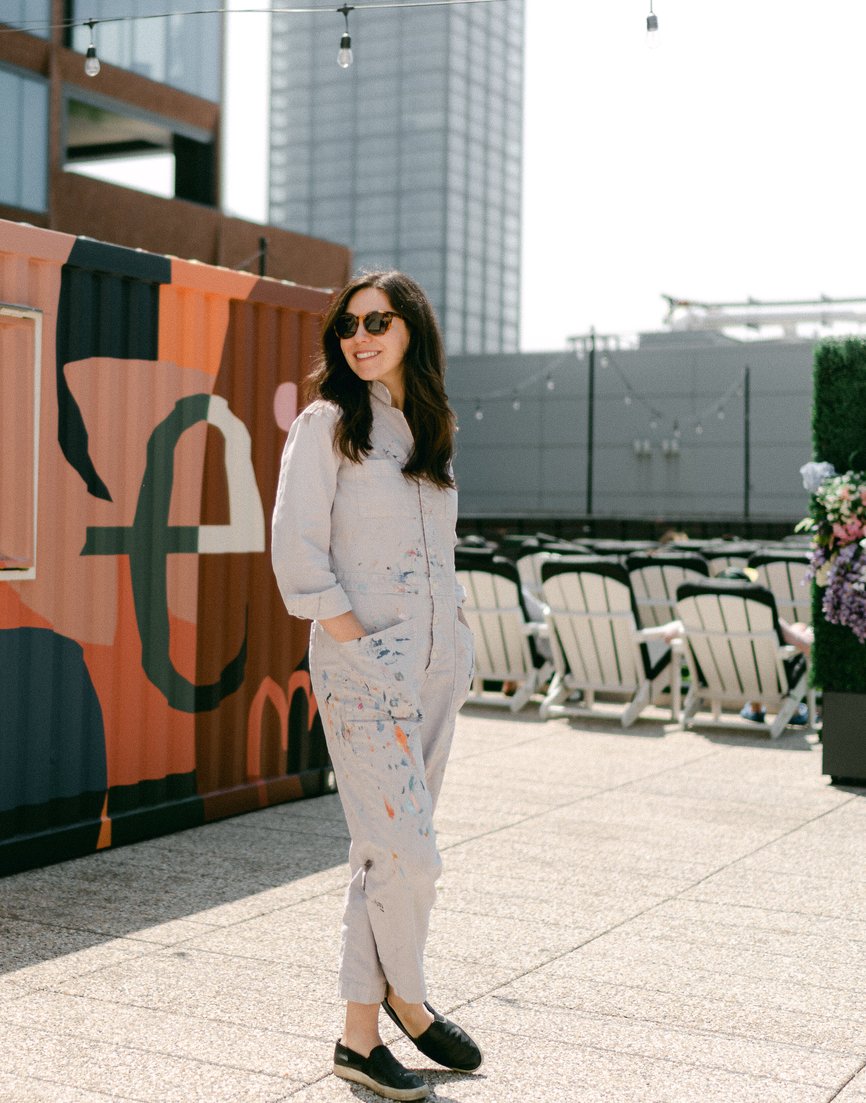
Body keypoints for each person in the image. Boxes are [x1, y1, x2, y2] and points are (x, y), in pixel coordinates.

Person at [272, 271, 481, 1102]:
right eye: (348, 325)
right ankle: (407, 998)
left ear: (410, 329)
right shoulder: (326, 425)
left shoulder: (428, 431)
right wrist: (364, 646)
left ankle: (366, 1036)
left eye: (378, 321)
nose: (360, 336)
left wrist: (455, 647)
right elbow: (296, 552)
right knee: (413, 856)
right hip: (365, 671)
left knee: (386, 855)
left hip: (437, 671)